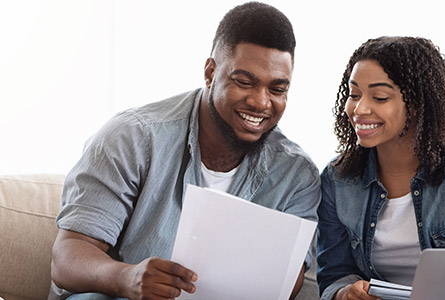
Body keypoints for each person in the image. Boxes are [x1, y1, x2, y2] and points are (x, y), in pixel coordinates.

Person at [49, 2, 320, 300]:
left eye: (277, 90)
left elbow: (288, 283)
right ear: (210, 73)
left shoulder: (297, 175)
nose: (261, 102)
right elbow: (67, 257)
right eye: (244, 82)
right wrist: (128, 277)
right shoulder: (134, 137)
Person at [316, 36, 445, 300]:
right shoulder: (338, 179)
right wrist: (345, 293)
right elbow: (333, 276)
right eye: (354, 94)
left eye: (380, 97)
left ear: (417, 104)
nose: (359, 109)